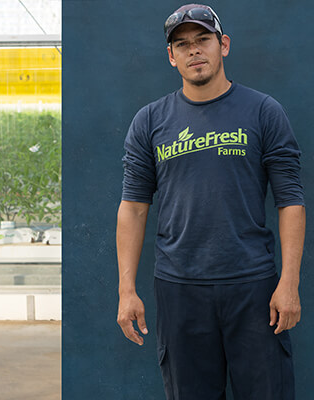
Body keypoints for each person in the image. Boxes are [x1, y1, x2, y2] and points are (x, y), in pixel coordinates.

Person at [116, 3, 306, 399]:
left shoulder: (263, 111)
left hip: (253, 286)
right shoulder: (150, 121)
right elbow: (133, 208)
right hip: (179, 289)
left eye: (203, 39)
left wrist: (289, 282)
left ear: (224, 45)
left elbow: (290, 201)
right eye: (182, 45)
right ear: (171, 56)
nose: (194, 51)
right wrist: (126, 290)